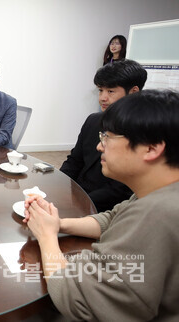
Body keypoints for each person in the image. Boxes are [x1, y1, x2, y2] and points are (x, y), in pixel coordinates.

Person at [24, 90, 179, 321]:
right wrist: (58, 223)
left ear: (151, 148)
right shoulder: (158, 192)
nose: (99, 146)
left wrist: (47, 237)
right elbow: (113, 218)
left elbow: (79, 301)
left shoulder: (158, 214)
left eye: (107, 137)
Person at [60, 59, 147, 212]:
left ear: (133, 92)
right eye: (100, 90)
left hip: (106, 209)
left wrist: (78, 202)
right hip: (76, 196)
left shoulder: (142, 133)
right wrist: (57, 186)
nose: (102, 98)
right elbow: (74, 161)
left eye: (110, 91)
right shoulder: (93, 120)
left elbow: (121, 189)